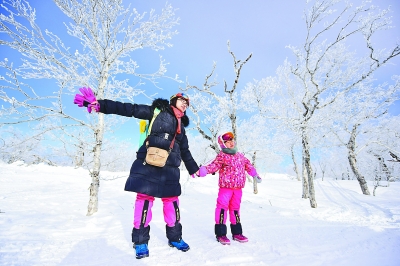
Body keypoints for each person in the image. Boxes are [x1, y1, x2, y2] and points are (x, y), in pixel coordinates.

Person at [74, 88, 200, 259]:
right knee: (144, 200)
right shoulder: (157, 111)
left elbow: (185, 150)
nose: (185, 104)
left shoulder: (181, 128)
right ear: (173, 101)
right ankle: (140, 241)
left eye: (187, 103)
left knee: (172, 202)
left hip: (170, 169)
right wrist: (101, 105)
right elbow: (129, 109)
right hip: (149, 162)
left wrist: (194, 169)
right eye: (182, 100)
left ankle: (175, 237)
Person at [194, 131, 262, 245]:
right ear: (223, 144)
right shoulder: (222, 156)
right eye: (227, 141)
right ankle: (221, 234)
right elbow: (213, 165)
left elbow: (249, 166)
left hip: (238, 189)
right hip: (225, 189)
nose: (231, 143)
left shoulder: (241, 156)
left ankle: (237, 233)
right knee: (222, 208)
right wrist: (202, 171)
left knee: (235, 209)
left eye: (231, 140)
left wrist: (255, 174)